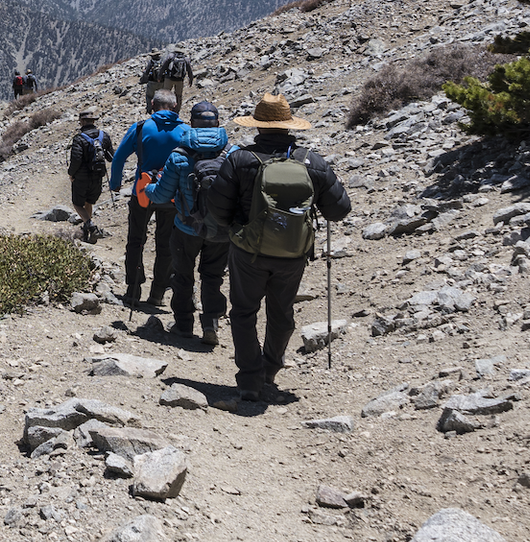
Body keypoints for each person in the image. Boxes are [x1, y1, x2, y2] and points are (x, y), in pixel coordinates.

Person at [203, 93, 351, 403]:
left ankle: (248, 381)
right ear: (288, 126)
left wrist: (236, 229)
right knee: (281, 312)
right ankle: (270, 369)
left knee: (244, 312)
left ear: (257, 126)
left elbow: (216, 209)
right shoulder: (312, 161)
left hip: (248, 253)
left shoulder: (241, 159)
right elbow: (339, 210)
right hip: (293, 253)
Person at [143, 100, 233, 345]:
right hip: (221, 228)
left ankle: (184, 325)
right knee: (213, 276)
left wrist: (148, 187)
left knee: (183, 276)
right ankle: (211, 324)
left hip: (186, 226)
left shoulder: (179, 155)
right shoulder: (231, 153)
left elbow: (162, 195)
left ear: (191, 123)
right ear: (217, 122)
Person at [107, 91, 191, 311]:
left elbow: (119, 157)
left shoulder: (141, 128)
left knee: (136, 240)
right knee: (166, 244)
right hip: (172, 195)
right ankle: (158, 293)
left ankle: (133, 290)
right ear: (174, 106)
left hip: (142, 192)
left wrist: (115, 183)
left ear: (152, 104)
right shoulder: (185, 130)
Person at [66, 108, 115, 243]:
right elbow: (111, 157)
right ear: (93, 121)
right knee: (89, 202)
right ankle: (88, 233)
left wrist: (71, 174)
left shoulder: (79, 138)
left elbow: (76, 160)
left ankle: (90, 226)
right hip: (98, 176)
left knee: (77, 204)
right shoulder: (104, 135)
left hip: (81, 178)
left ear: (81, 122)